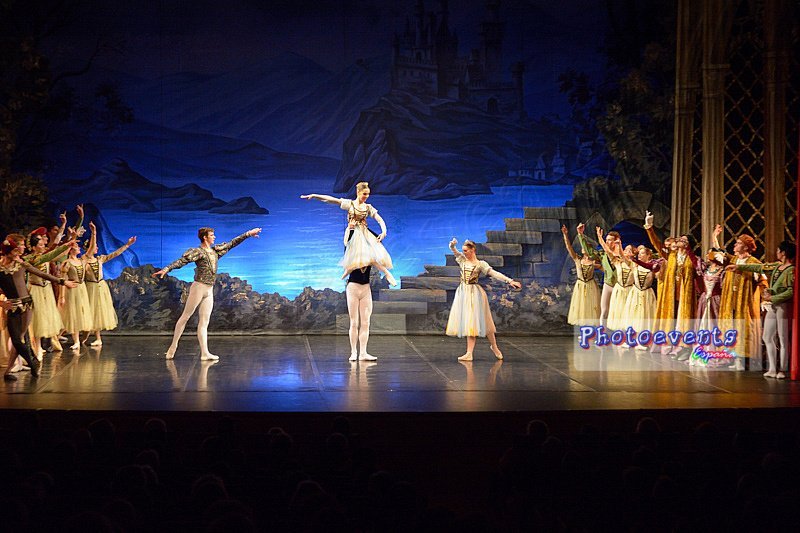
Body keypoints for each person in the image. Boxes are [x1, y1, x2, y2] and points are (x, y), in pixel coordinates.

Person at [152, 227, 261, 360]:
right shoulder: (198, 252)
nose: (214, 237)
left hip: (209, 290)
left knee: (204, 322)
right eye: (212, 235)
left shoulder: (215, 252)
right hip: (199, 287)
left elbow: (232, 243)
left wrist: (248, 234)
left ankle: (205, 353)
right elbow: (182, 261)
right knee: (186, 316)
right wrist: (167, 268)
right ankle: (173, 346)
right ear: (205, 237)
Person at [0, 234, 77, 381]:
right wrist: (2, 303)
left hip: (26, 305)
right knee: (17, 340)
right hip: (12, 306)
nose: (21, 251)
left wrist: (62, 282)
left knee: (18, 339)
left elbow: (41, 273)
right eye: (17, 248)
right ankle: (32, 361)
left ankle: (12, 370)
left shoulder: (22, 264)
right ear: (9, 251)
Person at [301, 182, 397, 286]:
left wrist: (384, 231)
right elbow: (331, 200)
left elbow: (379, 219)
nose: (366, 196)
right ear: (358, 192)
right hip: (353, 232)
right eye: (364, 194)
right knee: (354, 254)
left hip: (364, 232)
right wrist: (314, 196)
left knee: (371, 255)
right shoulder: (350, 204)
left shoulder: (368, 207)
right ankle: (348, 269)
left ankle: (387, 273)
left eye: (368, 194)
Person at [445, 238, 521, 361]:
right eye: (463, 251)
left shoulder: (480, 264)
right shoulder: (463, 260)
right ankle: (469, 353)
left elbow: (494, 273)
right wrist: (452, 246)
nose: (464, 253)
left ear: (473, 250)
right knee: (470, 322)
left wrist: (510, 281)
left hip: (474, 294)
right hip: (463, 293)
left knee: (485, 322)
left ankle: (494, 346)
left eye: (466, 251)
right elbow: (455, 253)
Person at [729, 240, 794, 378]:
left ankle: (782, 369)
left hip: (782, 305)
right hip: (773, 305)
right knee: (767, 336)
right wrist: (739, 267)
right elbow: (760, 267)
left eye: (778, 250)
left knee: (782, 338)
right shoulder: (777, 266)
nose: (776, 252)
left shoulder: (791, 270)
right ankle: (772, 368)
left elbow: (791, 291)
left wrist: (773, 297)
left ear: (783, 253)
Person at [714, 229, 765, 368]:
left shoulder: (753, 262)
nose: (735, 245)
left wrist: (765, 298)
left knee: (742, 327)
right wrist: (714, 237)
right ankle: (732, 356)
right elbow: (719, 252)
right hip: (730, 300)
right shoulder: (734, 259)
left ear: (746, 247)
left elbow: (762, 278)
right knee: (731, 327)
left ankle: (741, 359)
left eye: (738, 243)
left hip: (744, 302)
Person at [83, 221, 137, 346]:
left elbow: (115, 254)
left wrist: (127, 245)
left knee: (98, 312)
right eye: (94, 246)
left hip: (100, 287)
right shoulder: (84, 261)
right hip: (90, 287)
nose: (96, 248)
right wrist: (93, 232)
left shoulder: (100, 259)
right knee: (90, 312)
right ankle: (84, 336)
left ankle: (98, 338)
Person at [343, 222, 377, 362]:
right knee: (354, 322)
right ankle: (353, 352)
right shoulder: (352, 253)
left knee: (366, 322)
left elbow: (377, 239)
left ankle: (363, 352)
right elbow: (347, 242)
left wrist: (365, 227)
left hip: (365, 289)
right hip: (353, 288)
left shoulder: (369, 254)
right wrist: (351, 228)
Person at [577, 223, 622, 326]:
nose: (607, 242)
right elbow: (589, 251)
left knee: (619, 311)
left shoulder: (623, 255)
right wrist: (580, 235)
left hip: (620, 286)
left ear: (616, 241)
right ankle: (602, 331)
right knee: (604, 310)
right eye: (606, 240)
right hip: (608, 284)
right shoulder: (602, 254)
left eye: (610, 240)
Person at [561, 225, 600, 326]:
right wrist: (565, 235)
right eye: (583, 246)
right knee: (580, 306)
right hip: (580, 285)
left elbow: (604, 267)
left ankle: (591, 328)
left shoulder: (594, 261)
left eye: (585, 246)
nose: (583, 248)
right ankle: (583, 328)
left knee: (590, 306)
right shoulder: (577, 259)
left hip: (590, 285)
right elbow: (569, 247)